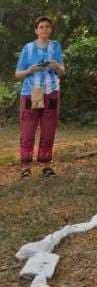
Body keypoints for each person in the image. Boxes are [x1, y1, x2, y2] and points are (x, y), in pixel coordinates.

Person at [14, 15, 65, 178]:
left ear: (51, 30)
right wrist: (30, 70)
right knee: (28, 129)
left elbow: (62, 71)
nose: (44, 29)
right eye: (41, 27)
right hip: (30, 93)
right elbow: (17, 74)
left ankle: (46, 165)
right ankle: (25, 166)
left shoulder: (56, 46)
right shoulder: (28, 48)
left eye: (47, 27)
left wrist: (56, 65)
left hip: (51, 92)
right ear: (36, 30)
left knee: (48, 128)